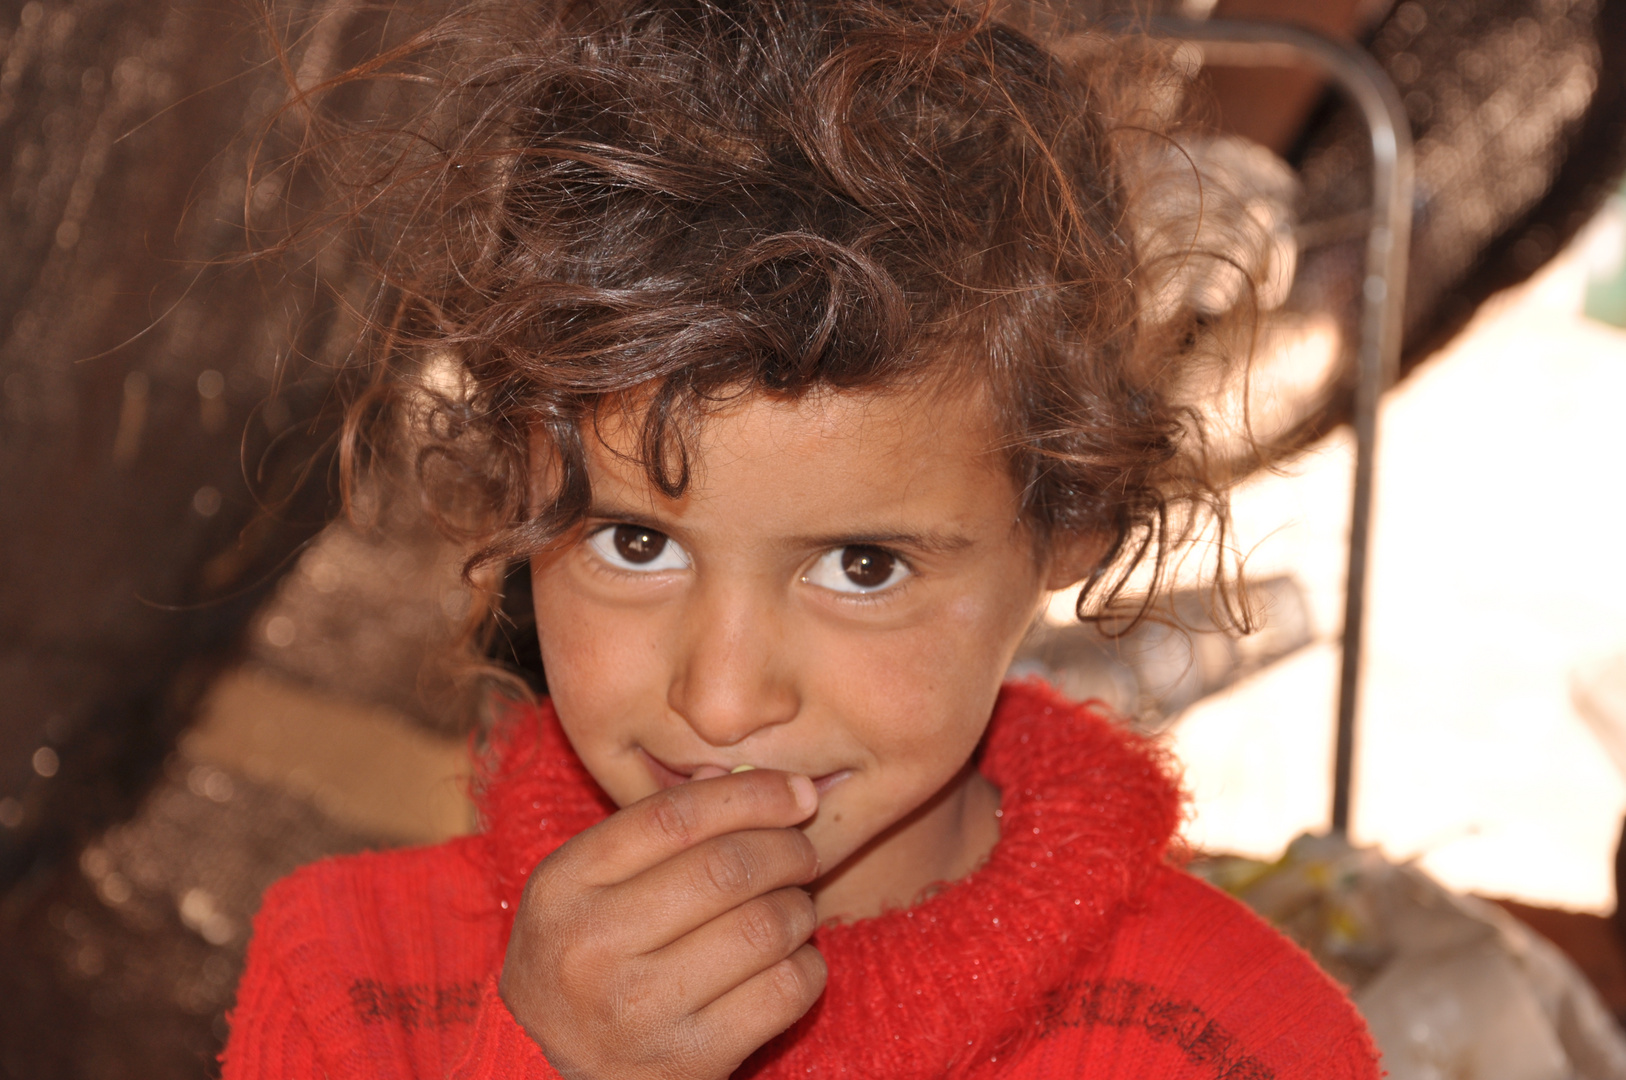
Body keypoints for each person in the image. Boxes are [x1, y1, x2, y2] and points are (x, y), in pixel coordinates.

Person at [222, 1, 1379, 1076]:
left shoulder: (1234, 1044)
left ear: (1069, 529)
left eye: (861, 565)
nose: (722, 704)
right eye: (634, 544)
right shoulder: (346, 983)